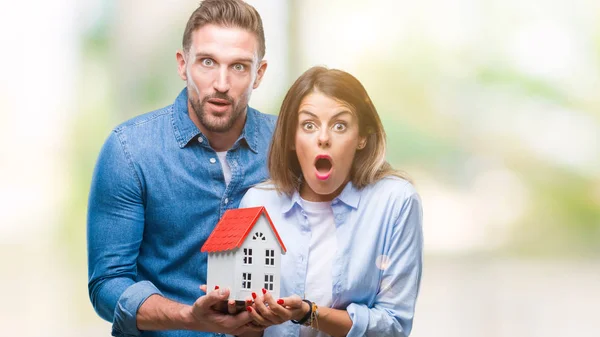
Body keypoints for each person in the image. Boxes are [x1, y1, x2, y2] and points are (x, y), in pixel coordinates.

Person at [87, 1, 275, 336]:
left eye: (239, 67)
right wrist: (187, 316)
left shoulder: (287, 147)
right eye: (207, 62)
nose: (221, 83)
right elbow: (107, 284)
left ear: (258, 74)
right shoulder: (130, 150)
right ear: (182, 64)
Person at [238, 66, 424, 337]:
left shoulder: (396, 202)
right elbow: (246, 329)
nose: (323, 138)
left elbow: (394, 327)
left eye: (339, 125)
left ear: (361, 137)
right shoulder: (257, 202)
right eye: (309, 125)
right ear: (291, 138)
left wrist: (308, 313)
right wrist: (237, 314)